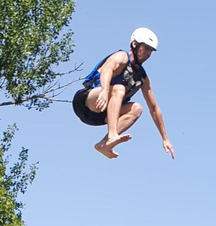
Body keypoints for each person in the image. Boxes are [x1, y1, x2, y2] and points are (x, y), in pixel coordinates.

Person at [72, 28, 175, 160]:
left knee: (137, 108)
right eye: (146, 48)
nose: (148, 53)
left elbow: (154, 109)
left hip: (98, 116)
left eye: (151, 51)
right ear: (135, 44)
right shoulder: (121, 57)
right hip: (86, 101)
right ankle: (112, 134)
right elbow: (107, 69)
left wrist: (165, 138)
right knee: (119, 89)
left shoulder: (142, 78)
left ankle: (103, 145)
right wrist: (104, 90)